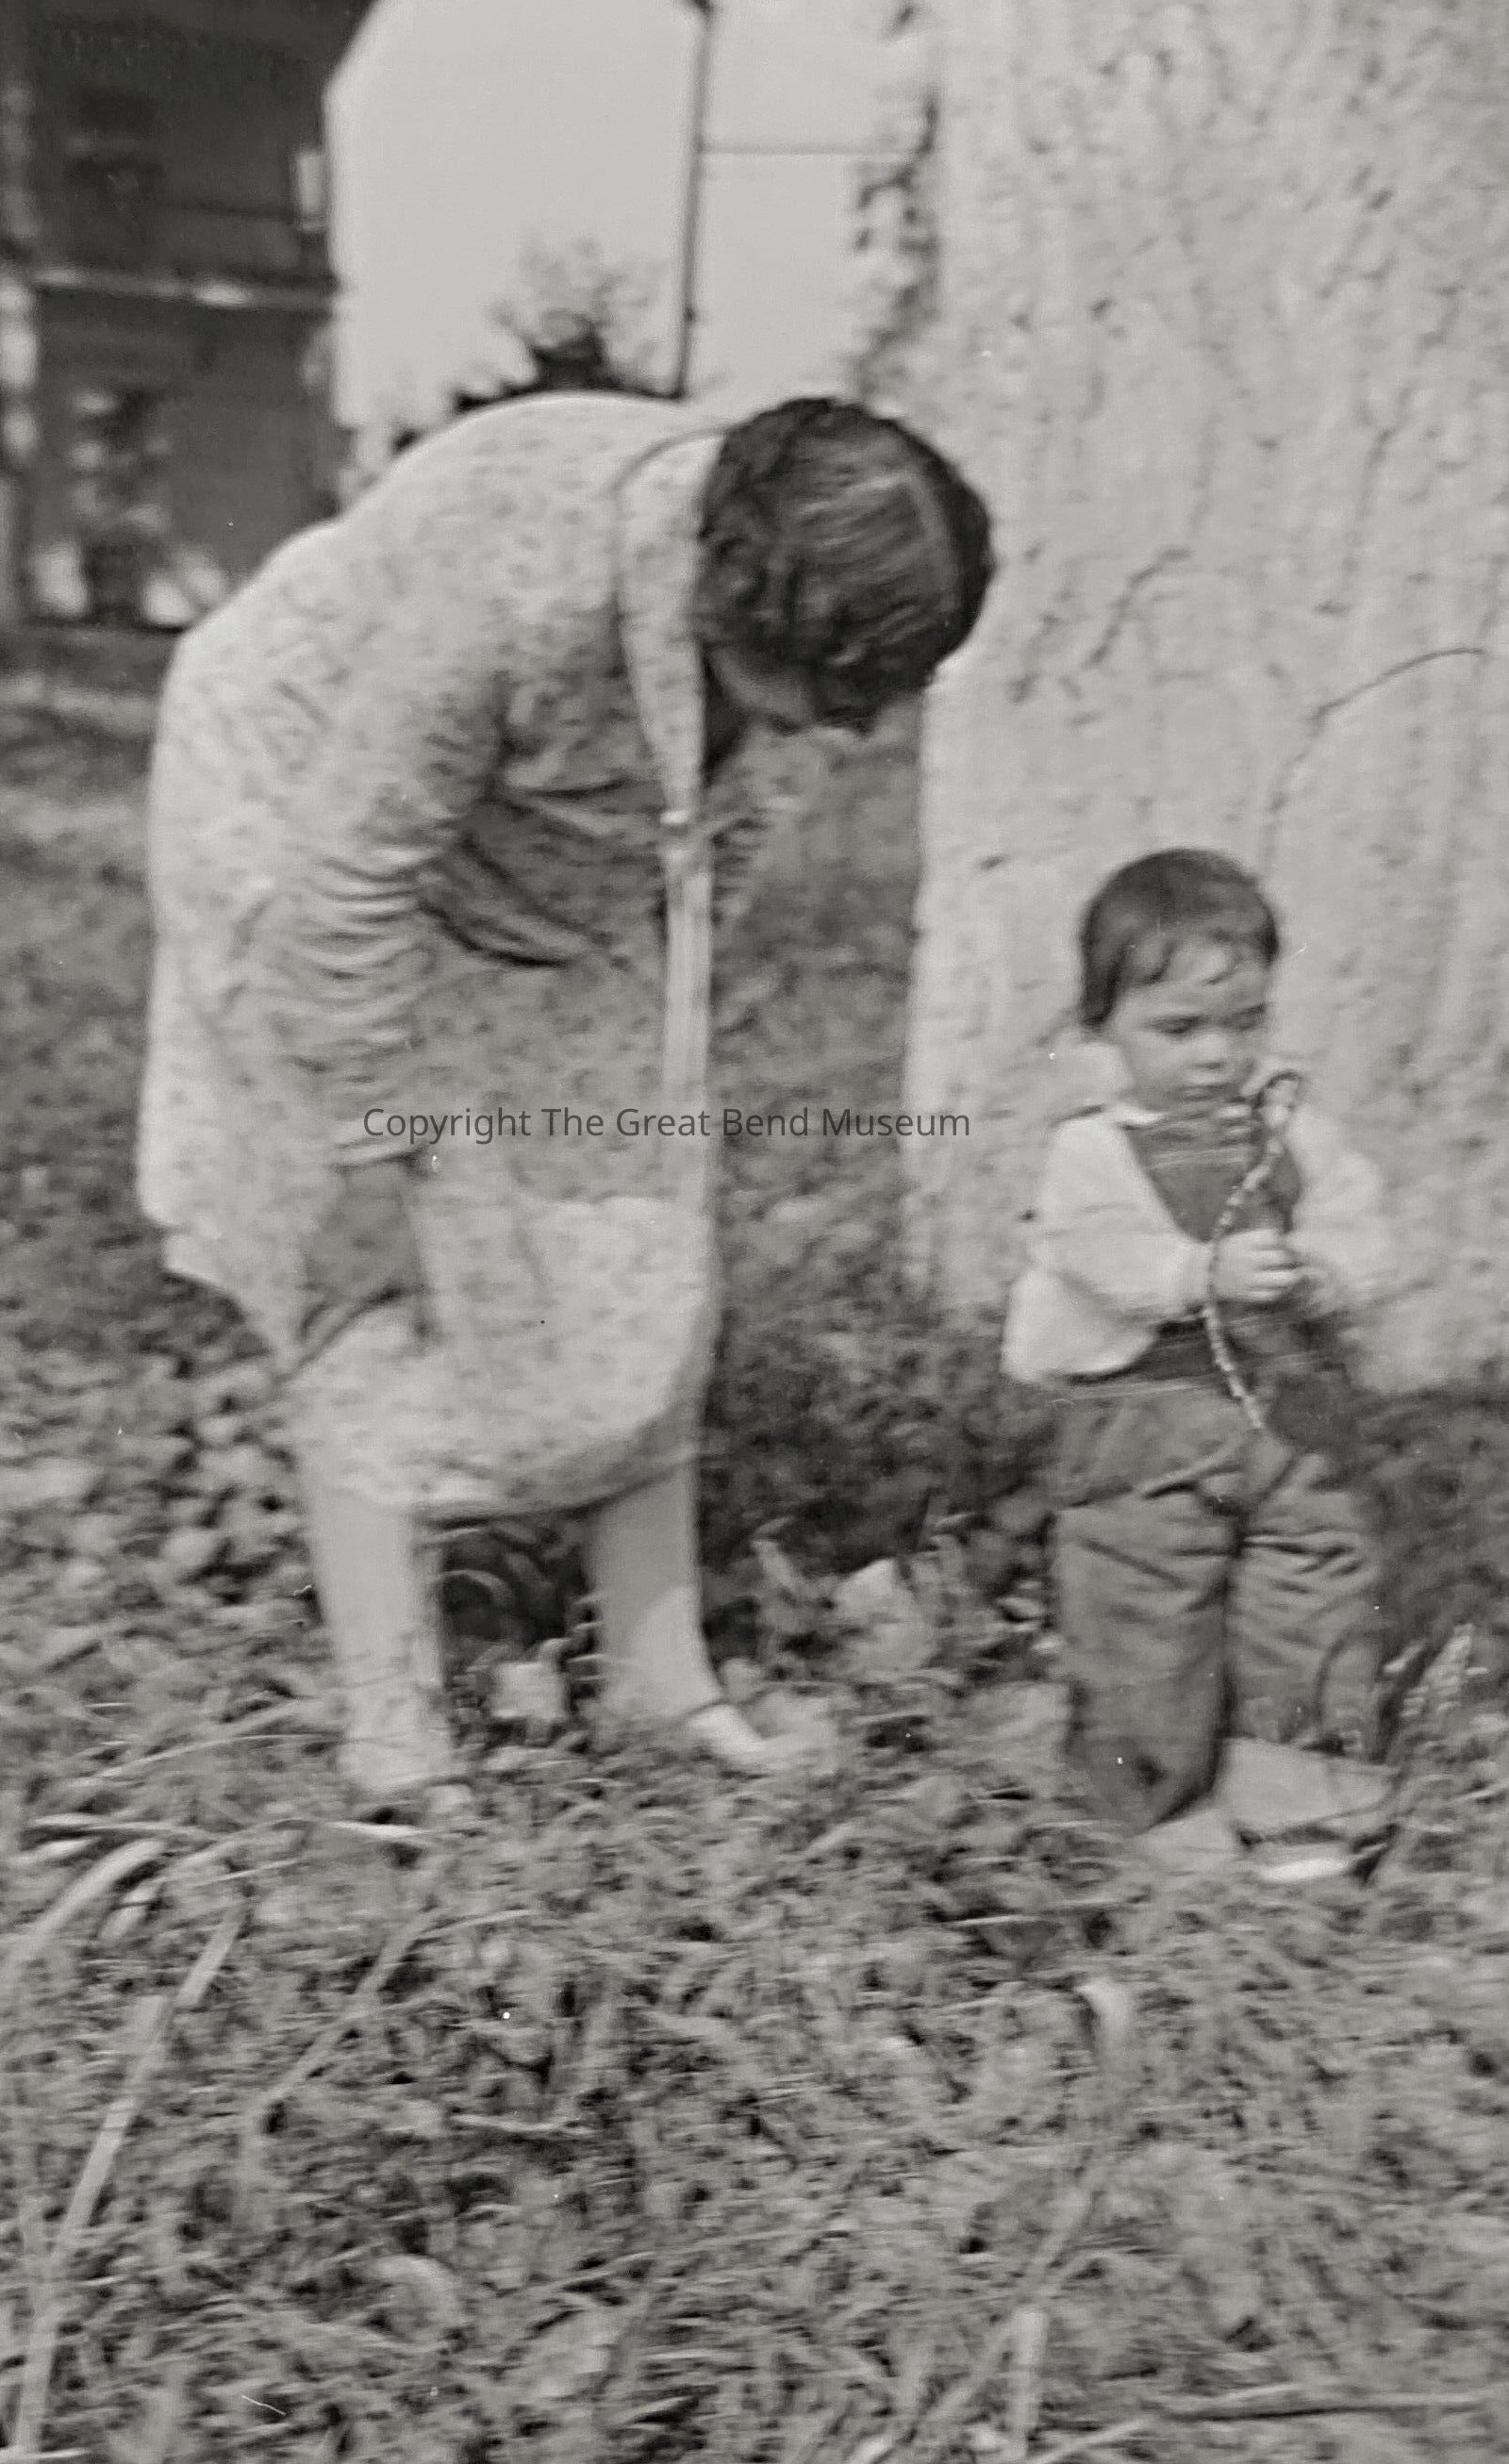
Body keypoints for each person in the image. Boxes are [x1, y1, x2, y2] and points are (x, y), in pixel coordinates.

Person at [139, 390, 994, 1811]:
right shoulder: (518, 584)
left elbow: (713, 861)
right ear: (730, 598)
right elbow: (346, 889)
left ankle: (661, 1677)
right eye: (834, 695)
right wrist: (379, 1147)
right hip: (308, 815)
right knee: (389, 1261)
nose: (856, 728)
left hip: (537, 855)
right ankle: (394, 1723)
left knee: (639, 1223)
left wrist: (638, 1066)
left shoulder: (792, 626)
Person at [1003, 851, 1398, 1854]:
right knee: (1140, 1618)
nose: (1217, 1056)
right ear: (1104, 1025)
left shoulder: (1291, 1128)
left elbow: (1359, 1223)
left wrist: (1321, 1269)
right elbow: (1095, 1251)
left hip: (1290, 1422)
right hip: (1141, 1429)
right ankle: (1147, 1812)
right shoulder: (1090, 1147)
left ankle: (1303, 1801)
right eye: (1178, 1030)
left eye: (1244, 1023)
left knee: (1311, 1595)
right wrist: (1198, 1271)